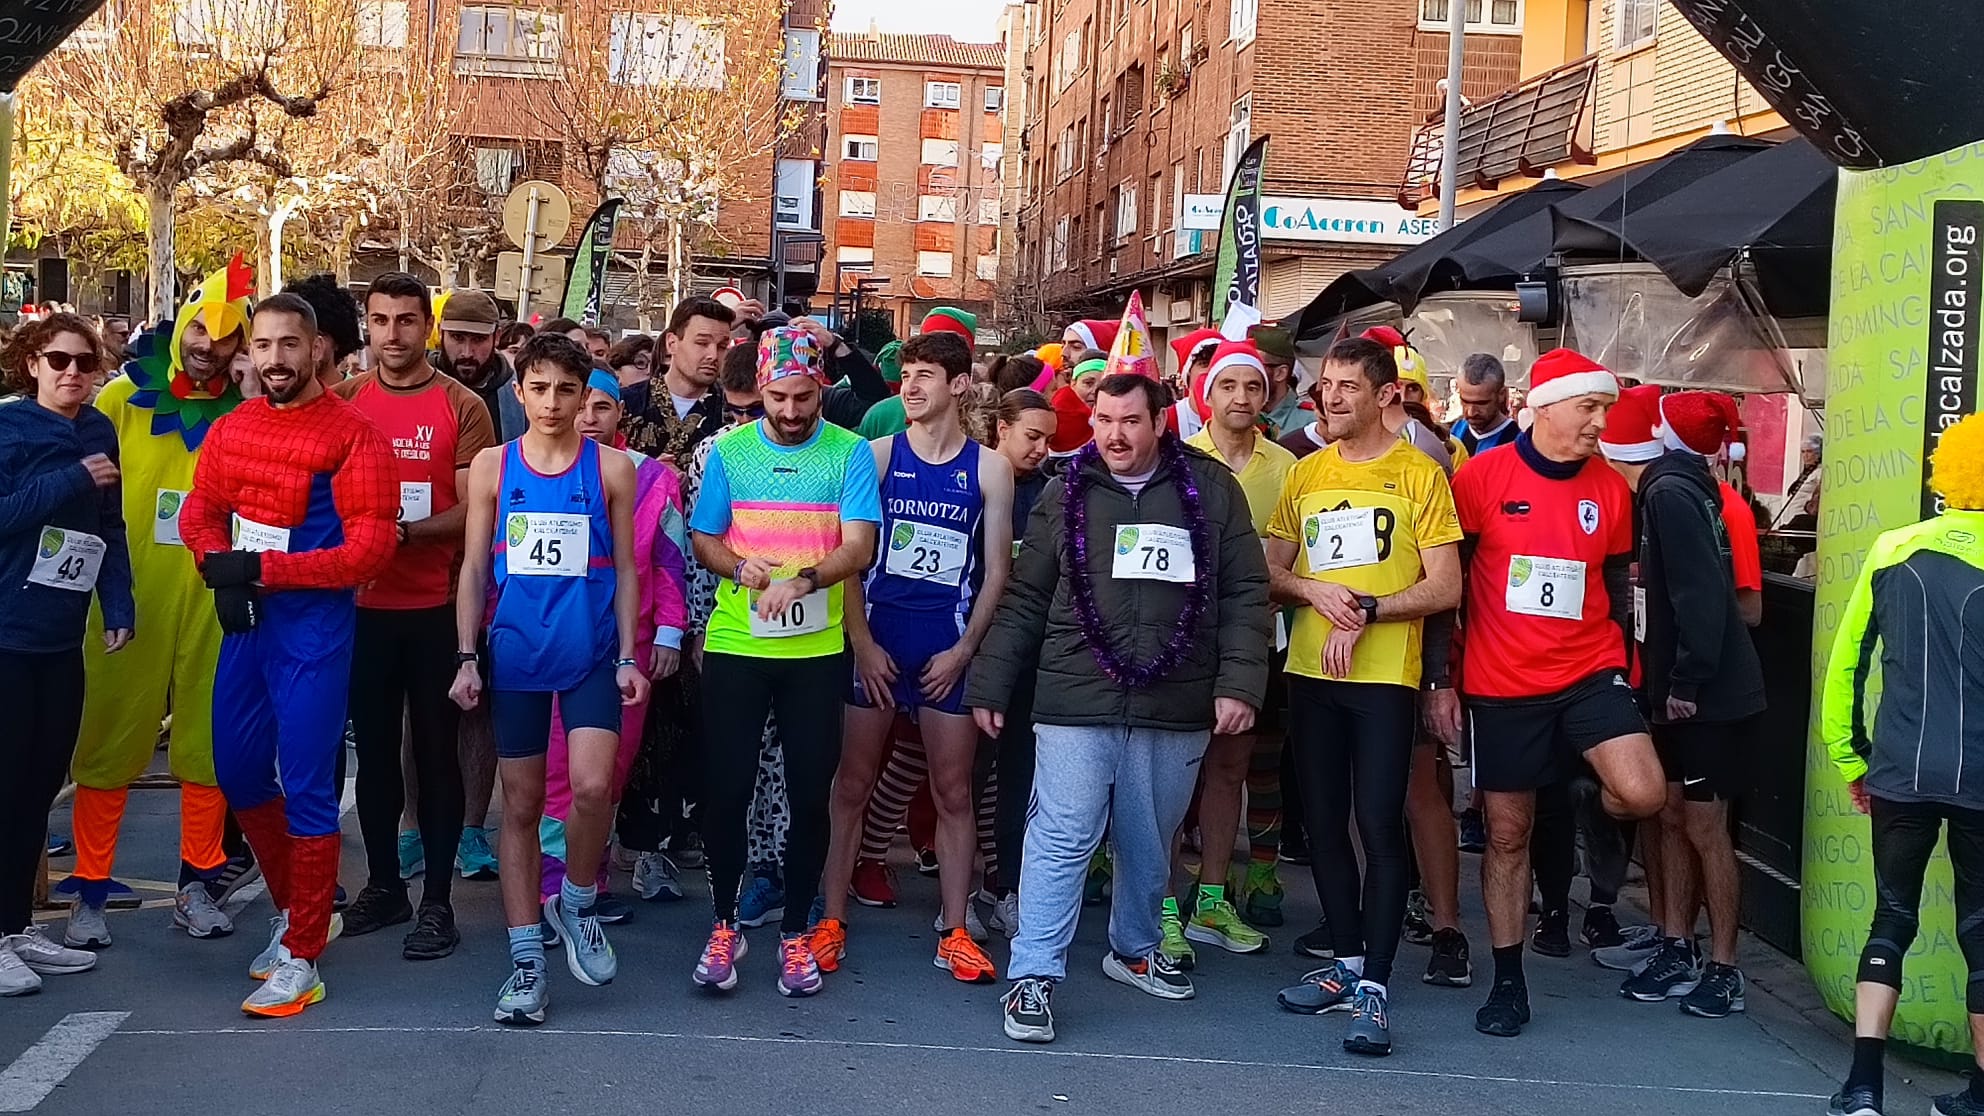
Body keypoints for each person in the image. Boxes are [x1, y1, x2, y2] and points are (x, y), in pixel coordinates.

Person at [968, 372, 1270, 1045]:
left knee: (1147, 836)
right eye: (1103, 420)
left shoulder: (1212, 489)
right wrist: (991, 680)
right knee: (1063, 833)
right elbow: (1025, 595)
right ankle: (1034, 976)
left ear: (1161, 421)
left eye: (1129, 421)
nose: (1113, 435)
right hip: (1076, 693)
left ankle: (1133, 948)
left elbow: (1246, 594)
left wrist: (1240, 684)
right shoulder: (1065, 488)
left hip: (1176, 697)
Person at [181, 292, 400, 1017]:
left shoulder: (353, 434)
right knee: (239, 772)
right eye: (264, 346)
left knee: (306, 784)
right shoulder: (235, 426)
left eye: (289, 345)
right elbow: (200, 510)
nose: (275, 359)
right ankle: (296, 913)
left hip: (313, 627)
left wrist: (260, 572)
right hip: (246, 622)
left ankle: (304, 954)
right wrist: (218, 564)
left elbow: (371, 547)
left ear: (318, 351)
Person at [1448, 348, 1665, 1038]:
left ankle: (1579, 785)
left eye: (1604, 408)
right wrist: (1442, 680)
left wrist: (1630, 672)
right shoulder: (1481, 478)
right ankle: (1509, 982)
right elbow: (1449, 586)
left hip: (1589, 672)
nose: (1600, 421)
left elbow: (1618, 588)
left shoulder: (1611, 490)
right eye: (1588, 407)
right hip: (1503, 681)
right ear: (1544, 408)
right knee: (1508, 834)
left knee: (1642, 792)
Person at [1266, 337, 1463, 1057]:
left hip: (1384, 678)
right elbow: (1271, 568)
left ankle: (1377, 987)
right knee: (1320, 821)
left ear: (1387, 396)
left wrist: (1370, 611)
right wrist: (1315, 590)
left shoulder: (1420, 474)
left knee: (1379, 823)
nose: (1332, 397)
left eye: (1349, 386)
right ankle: (1344, 964)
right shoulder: (1307, 471)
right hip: (1312, 672)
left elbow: (1447, 586)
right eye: (1325, 385)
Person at [449, 334, 648, 1025]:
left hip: (590, 650)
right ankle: (527, 958)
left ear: (584, 394)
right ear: (520, 390)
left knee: (595, 787)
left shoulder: (613, 469)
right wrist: (467, 656)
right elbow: (474, 568)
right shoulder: (491, 467)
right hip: (518, 658)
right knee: (523, 808)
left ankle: (579, 900)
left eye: (568, 390)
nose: (554, 404)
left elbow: (626, 569)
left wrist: (628, 656)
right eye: (540, 389)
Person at [813, 331, 1014, 983]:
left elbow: (996, 572)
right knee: (850, 785)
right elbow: (850, 556)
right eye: (907, 374)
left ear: (959, 384)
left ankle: (955, 930)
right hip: (879, 640)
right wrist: (862, 642)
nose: (912, 386)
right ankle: (831, 918)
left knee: (953, 789)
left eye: (927, 374)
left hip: (943, 644)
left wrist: (963, 651)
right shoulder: (872, 456)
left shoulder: (990, 468)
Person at [686, 325, 880, 997]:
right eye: (779, 398)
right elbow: (705, 536)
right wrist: (740, 567)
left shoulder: (849, 453)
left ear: (821, 387)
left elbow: (859, 546)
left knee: (807, 794)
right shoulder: (730, 452)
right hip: (738, 642)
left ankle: (796, 931)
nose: (792, 412)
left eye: (804, 398)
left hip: (816, 648)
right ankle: (722, 922)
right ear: (758, 391)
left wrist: (805, 581)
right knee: (728, 788)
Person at [67, 258, 253, 947]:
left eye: (227, 336)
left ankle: (198, 883)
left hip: (214, 598)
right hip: (127, 592)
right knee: (109, 734)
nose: (208, 344)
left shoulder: (248, 412)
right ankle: (89, 889)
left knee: (208, 741)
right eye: (201, 328)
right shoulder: (119, 400)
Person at [1822, 412, 1984, 1116]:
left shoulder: (1893, 549)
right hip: (1980, 777)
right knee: (1981, 929)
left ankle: (1863, 1085)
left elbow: (1844, 667)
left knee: (1890, 917)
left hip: (1899, 772)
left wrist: (1850, 757)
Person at [333, 274, 499, 960]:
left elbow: (474, 512)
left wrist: (404, 534)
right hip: (361, 609)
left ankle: (437, 901)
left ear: (425, 327)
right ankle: (382, 884)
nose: (393, 334)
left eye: (407, 321)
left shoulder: (462, 407)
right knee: (373, 758)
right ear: (366, 326)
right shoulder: (343, 400)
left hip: (435, 607)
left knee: (436, 759)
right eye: (381, 320)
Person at [1602, 389, 1766, 1017]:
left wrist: (1687, 684)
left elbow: (1704, 598)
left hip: (1706, 697)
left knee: (1704, 825)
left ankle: (1724, 966)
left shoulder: (1670, 492)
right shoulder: (1677, 486)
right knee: (1670, 811)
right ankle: (1678, 944)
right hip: (1676, 687)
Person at [0, 314, 130, 994]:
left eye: (85, 362)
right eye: (58, 360)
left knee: (37, 791)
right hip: (7, 635)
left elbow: (111, 526)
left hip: (62, 638)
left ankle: (16, 924)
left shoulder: (99, 429)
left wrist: (122, 604)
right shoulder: (9, 428)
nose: (73, 372)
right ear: (32, 364)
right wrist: (71, 479)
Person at [537, 370, 686, 914]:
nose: (588, 419)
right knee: (558, 772)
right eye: (582, 406)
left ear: (620, 412)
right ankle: (553, 888)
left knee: (609, 773)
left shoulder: (647, 477)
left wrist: (670, 631)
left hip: (628, 647)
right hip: (550, 643)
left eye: (603, 407)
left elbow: (671, 564)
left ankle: (588, 882)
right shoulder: (534, 466)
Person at [1178, 340, 1298, 958]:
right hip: (1184, 640)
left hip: (1255, 637)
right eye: (1229, 386)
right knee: (1174, 771)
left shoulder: (1288, 466)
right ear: (1208, 393)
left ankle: (1216, 896)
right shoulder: (1180, 458)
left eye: (1253, 387)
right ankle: (1164, 902)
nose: (1242, 398)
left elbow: (1294, 555)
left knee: (1234, 766)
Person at [621, 297, 735, 467]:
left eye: (722, 346)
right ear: (671, 343)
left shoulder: (734, 411)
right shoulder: (625, 405)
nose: (713, 355)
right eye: (702, 343)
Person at [856, 309, 976, 438]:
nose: (910, 389)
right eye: (906, 376)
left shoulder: (987, 420)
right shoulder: (881, 417)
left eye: (925, 375)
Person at [432, 290, 525, 443]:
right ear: (441, 333)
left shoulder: (516, 395)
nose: (467, 353)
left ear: (497, 337)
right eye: (457, 337)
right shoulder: (414, 385)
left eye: (478, 339)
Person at [1250, 325, 1309, 440]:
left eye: (1256, 365)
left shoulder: (1311, 423)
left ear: (1280, 373)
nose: (1247, 372)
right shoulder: (1242, 416)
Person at [1453, 353, 1519, 456]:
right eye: (1465, 401)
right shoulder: (1455, 431)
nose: (1471, 412)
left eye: (1481, 403)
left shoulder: (1518, 443)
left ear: (1501, 394)